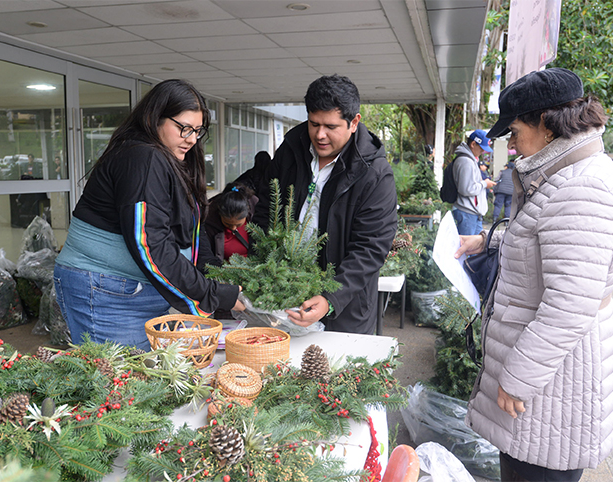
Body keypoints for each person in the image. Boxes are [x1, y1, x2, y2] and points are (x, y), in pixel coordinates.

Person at [456, 68, 613, 482]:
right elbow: (545, 244)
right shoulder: (562, 175)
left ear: (547, 125)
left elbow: (569, 304)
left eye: (514, 131)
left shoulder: (580, 187)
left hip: (552, 387)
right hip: (550, 379)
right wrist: (489, 241)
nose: (512, 144)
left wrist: (517, 379)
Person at [54, 79, 244, 351]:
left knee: (145, 382)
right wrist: (211, 293)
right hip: (106, 291)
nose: (191, 139)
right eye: (184, 128)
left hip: (132, 288)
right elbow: (149, 242)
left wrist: (214, 278)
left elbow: (190, 229)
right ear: (155, 118)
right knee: (123, 383)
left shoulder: (167, 157)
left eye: (198, 131)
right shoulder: (144, 158)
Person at [253, 74, 397, 335]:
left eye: (331, 126)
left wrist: (332, 298)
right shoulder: (291, 149)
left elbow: (371, 246)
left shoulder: (374, 174)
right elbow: (267, 207)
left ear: (354, 123)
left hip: (345, 307)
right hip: (284, 291)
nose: (320, 135)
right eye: (313, 124)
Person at [451, 129, 496, 235]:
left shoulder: (470, 160)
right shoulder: (466, 162)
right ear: (473, 144)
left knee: (475, 249)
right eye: (481, 148)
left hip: (471, 213)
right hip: (467, 213)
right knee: (468, 249)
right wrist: (485, 184)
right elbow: (466, 189)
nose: (482, 151)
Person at [205, 183, 258, 263]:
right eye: (227, 224)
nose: (233, 228)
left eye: (238, 225)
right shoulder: (210, 225)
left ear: (247, 214)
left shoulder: (258, 217)